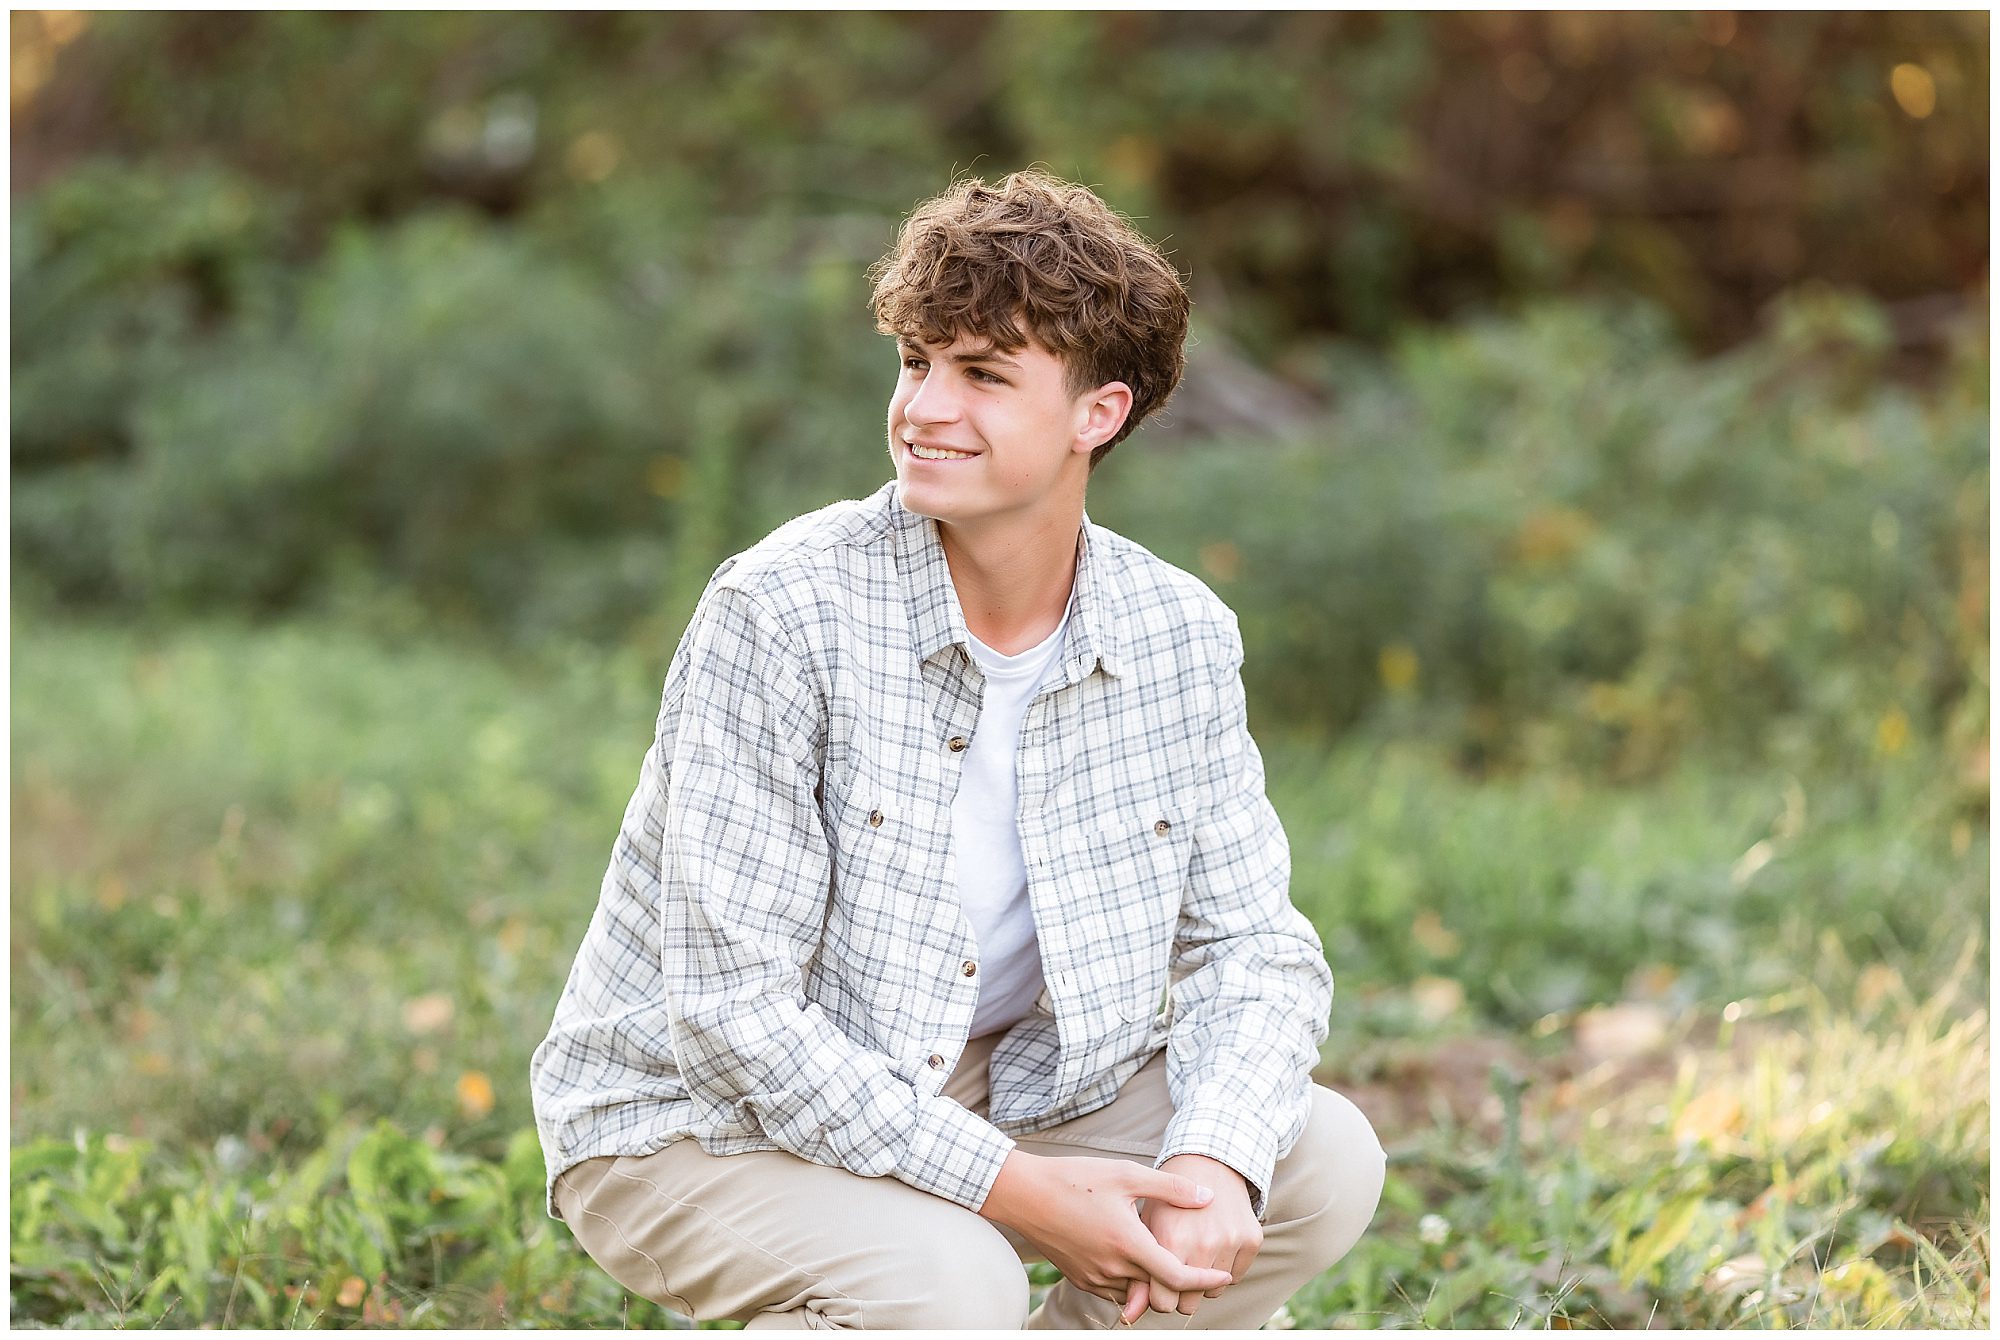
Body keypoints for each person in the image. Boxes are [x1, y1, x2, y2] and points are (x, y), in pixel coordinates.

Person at [528, 169, 1385, 1329]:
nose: (924, 406)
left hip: (1005, 1081)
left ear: (1100, 412)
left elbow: (1252, 946)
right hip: (689, 1116)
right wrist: (1019, 1194)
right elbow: (731, 1015)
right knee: (949, 1279)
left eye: (981, 374)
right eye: (913, 361)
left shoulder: (1177, 634)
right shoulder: (781, 611)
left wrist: (1214, 1165)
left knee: (1316, 1154)